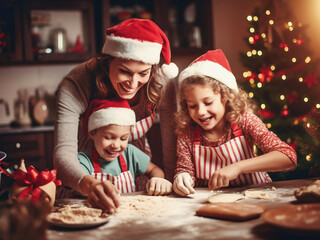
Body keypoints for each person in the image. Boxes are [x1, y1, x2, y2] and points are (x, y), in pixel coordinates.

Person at [54, 18, 178, 211]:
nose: (133, 82)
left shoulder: (162, 82)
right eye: (124, 71)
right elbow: (64, 155)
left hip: (133, 175)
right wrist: (88, 184)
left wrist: (169, 185)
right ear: (107, 62)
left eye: (143, 73)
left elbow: (171, 146)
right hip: (82, 177)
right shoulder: (77, 83)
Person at [172, 49, 297, 196]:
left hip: (257, 197)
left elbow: (288, 156)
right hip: (209, 203)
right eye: (192, 106)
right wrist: (182, 178)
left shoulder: (244, 120)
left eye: (208, 102)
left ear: (226, 97)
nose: (200, 112)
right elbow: (184, 169)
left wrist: (237, 167)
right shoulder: (187, 133)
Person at [79, 98, 172, 206]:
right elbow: (80, 181)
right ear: (92, 133)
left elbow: (155, 170)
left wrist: (157, 180)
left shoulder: (130, 153)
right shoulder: (84, 160)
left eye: (123, 139)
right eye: (109, 137)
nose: (116, 145)